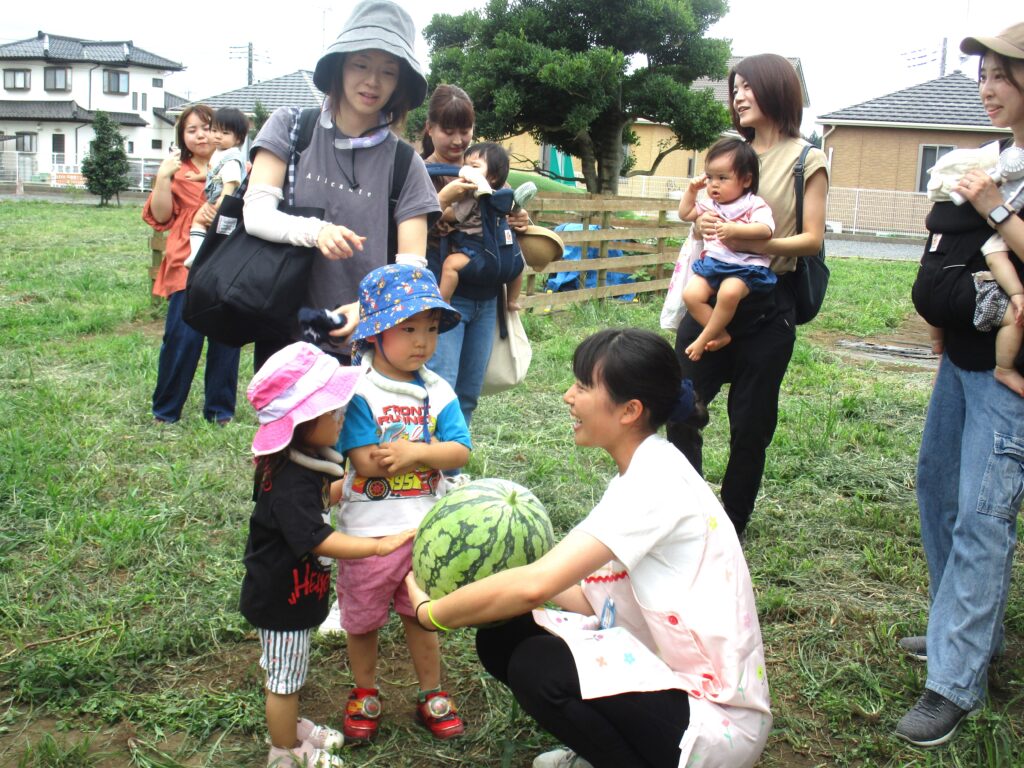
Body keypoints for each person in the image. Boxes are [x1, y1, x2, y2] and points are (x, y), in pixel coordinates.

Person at [405, 328, 771, 768]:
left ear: (630, 411)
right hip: (671, 674)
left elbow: (533, 586)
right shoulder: (643, 468)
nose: (567, 396)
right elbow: (583, 599)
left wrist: (432, 615)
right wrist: (507, 560)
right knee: (506, 636)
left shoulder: (654, 484)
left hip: (712, 722)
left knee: (538, 667)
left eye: (582, 386)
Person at [896, 21, 1024, 747]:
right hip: (966, 359)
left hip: (1012, 375)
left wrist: (994, 208)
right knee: (939, 490)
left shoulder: (999, 180)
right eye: (984, 76)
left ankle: (954, 681)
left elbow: (992, 228)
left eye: (1002, 76)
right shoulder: (993, 157)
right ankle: (965, 633)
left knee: (983, 516)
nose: (987, 89)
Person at [666, 53, 829, 537]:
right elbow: (697, 211)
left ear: (777, 89)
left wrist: (751, 240)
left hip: (766, 301)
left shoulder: (807, 159)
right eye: (734, 87)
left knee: (750, 426)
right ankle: (690, 514)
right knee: (679, 404)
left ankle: (732, 523)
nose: (737, 95)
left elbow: (812, 239)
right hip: (711, 289)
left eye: (746, 86)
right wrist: (705, 220)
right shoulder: (728, 154)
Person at [239, 341, 414, 768]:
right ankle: (284, 752)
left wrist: (350, 487)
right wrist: (376, 546)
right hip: (279, 603)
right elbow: (317, 537)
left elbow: (319, 500)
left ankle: (290, 725)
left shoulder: (301, 463)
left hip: (291, 597)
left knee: (289, 674)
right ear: (302, 422)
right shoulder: (290, 482)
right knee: (283, 681)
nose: (341, 417)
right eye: (333, 411)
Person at [244, 0, 439, 371]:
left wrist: (368, 309)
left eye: (388, 71)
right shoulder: (290, 127)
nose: (372, 81)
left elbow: (412, 267)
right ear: (340, 65)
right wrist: (317, 232)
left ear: (400, 83)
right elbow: (256, 215)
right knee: (289, 431)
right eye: (360, 64)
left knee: (356, 431)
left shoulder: (405, 163)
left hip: (365, 343)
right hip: (284, 332)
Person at [334, 263, 471, 742]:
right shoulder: (359, 389)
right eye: (408, 328)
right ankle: (365, 691)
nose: (423, 342)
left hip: (423, 532)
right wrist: (426, 457)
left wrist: (415, 452)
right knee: (362, 619)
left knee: (421, 616)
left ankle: (431, 691)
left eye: (431, 329)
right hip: (368, 534)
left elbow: (460, 452)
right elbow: (366, 462)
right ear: (375, 333)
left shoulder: (438, 390)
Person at [421, 84, 531, 425]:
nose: (457, 140)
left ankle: (451, 470)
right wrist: (443, 200)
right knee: (439, 386)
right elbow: (401, 228)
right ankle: (427, 470)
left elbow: (507, 227)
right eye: (448, 131)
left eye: (464, 131)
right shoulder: (418, 172)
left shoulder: (487, 172)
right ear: (430, 129)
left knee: (468, 392)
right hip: (445, 296)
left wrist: (520, 219)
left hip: (487, 298)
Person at [142, 104, 241, 425]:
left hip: (227, 257)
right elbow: (160, 217)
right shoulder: (177, 169)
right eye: (192, 129)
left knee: (226, 338)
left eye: (208, 127)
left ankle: (220, 411)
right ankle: (166, 410)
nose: (202, 135)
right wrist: (162, 177)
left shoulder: (239, 165)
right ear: (182, 136)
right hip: (187, 260)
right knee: (182, 338)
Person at [923, 144, 1024, 395]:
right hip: (969, 335)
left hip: (929, 299)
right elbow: (997, 262)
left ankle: (937, 343)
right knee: (1014, 319)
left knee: (933, 294)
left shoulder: (942, 224)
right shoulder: (985, 230)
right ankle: (1005, 367)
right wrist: (1017, 293)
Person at [678, 137, 776, 361]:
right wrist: (692, 191)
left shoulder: (753, 204)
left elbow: (766, 230)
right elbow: (685, 214)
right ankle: (720, 334)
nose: (714, 184)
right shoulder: (710, 204)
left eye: (723, 178)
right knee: (691, 295)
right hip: (713, 264)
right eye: (710, 177)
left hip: (745, 267)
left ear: (746, 180)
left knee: (729, 293)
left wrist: (735, 230)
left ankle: (703, 339)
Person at [437, 141, 525, 311]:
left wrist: (444, 201)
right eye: (465, 165)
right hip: (500, 246)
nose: (466, 171)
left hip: (476, 247)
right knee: (517, 265)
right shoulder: (505, 195)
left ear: (492, 177)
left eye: (474, 166)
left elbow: (451, 216)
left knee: (450, 265)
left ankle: (445, 301)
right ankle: (512, 300)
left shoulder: (472, 197)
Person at [184, 107, 249, 268]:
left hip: (222, 201)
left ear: (238, 139)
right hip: (220, 200)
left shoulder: (232, 158)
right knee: (215, 229)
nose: (217, 136)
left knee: (203, 222)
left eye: (225, 133)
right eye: (214, 131)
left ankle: (199, 254)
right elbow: (213, 172)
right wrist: (198, 176)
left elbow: (231, 181)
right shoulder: (219, 153)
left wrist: (222, 199)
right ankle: (202, 256)